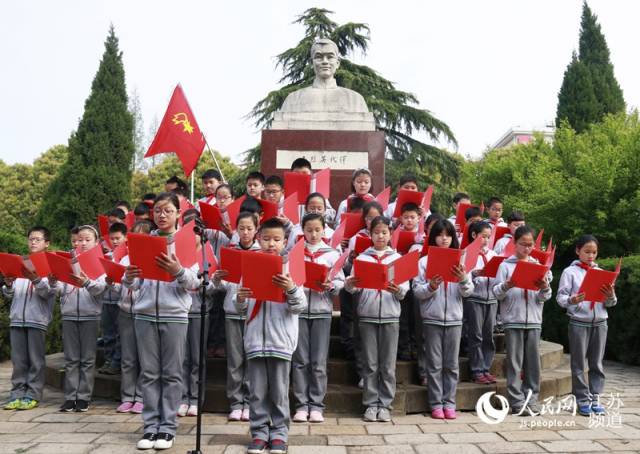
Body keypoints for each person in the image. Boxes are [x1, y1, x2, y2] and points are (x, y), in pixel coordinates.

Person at [123, 193, 200, 450]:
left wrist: (177, 270)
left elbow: (195, 283)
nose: (162, 215)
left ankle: (167, 428)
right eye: (158, 210)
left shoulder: (187, 242)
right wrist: (129, 276)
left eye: (167, 210)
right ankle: (150, 426)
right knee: (149, 373)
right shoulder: (144, 241)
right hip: (144, 314)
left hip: (175, 315)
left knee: (172, 374)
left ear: (178, 213)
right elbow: (134, 283)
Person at [235, 218, 307, 454]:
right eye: (266, 239)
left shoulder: (292, 268)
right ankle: (258, 433)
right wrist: (241, 298)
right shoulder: (250, 266)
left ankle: (279, 433)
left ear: (285, 242)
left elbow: (300, 306)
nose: (271, 244)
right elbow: (240, 308)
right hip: (255, 339)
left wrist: (291, 288)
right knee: (256, 391)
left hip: (281, 341)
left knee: (278, 391)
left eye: (276, 239)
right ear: (258, 239)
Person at [345, 216, 409, 423]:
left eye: (384, 232)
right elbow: (353, 288)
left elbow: (404, 292)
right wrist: (351, 283)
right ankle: (371, 404)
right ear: (370, 234)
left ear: (390, 234)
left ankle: (386, 404)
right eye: (376, 232)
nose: (380, 236)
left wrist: (397, 289)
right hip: (368, 316)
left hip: (390, 317)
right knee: (370, 364)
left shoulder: (397, 259)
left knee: (388, 365)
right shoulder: (362, 259)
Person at [412, 219, 473, 420]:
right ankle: (436, 403)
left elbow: (468, 291)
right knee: (434, 364)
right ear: (433, 237)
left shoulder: (462, 261)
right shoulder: (423, 262)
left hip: (454, 319)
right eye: (439, 234)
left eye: (448, 235)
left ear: (453, 238)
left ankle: (450, 402)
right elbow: (417, 292)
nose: (444, 238)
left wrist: (463, 279)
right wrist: (431, 286)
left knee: (452, 364)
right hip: (432, 318)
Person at [493, 225, 552, 416]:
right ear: (514, 243)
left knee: (533, 364)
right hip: (513, 319)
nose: (526, 248)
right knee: (514, 363)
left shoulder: (539, 266)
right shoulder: (505, 266)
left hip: (534, 319)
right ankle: (517, 401)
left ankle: (532, 400)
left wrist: (544, 287)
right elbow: (496, 293)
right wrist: (507, 285)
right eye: (522, 244)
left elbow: (546, 296)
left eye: (530, 245)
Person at [292, 213, 344, 423]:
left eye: (317, 230)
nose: (313, 234)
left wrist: (330, 285)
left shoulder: (331, 254)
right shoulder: (295, 254)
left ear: (324, 230)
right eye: (309, 230)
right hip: (300, 312)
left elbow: (340, 283)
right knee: (300, 360)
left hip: (322, 311)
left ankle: (316, 405)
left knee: (319, 361)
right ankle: (301, 404)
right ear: (302, 231)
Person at [556, 234, 616, 416]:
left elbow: (612, 303)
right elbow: (560, 298)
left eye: (594, 252)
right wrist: (573, 300)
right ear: (578, 251)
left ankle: (595, 397)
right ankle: (582, 400)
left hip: (600, 322)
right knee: (578, 364)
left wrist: (610, 296)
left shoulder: (602, 272)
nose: (591, 256)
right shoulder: (570, 272)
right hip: (578, 322)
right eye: (587, 251)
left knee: (597, 363)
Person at [213, 212, 261, 422]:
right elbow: (222, 285)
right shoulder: (229, 252)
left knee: (252, 358)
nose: (245, 232)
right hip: (232, 312)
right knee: (235, 360)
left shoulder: (262, 252)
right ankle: (236, 402)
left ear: (256, 229)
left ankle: (250, 402)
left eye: (249, 228)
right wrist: (217, 279)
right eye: (241, 228)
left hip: (254, 313)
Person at [54, 225, 107, 413]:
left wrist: (85, 282)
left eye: (87, 240)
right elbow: (59, 290)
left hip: (90, 315)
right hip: (69, 314)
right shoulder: (67, 261)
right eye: (78, 240)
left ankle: (83, 397)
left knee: (87, 359)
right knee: (71, 359)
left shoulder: (100, 263)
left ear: (96, 242)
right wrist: (54, 281)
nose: (82, 243)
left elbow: (100, 288)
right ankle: (70, 397)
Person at [2, 226, 55, 411]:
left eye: (38, 239)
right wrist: (8, 285)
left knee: (35, 360)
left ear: (46, 243)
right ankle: (17, 394)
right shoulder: (20, 262)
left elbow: (49, 293)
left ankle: (32, 394)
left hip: (37, 319)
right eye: (31, 239)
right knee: (19, 361)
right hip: (17, 318)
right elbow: (10, 294)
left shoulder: (49, 265)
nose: (33, 242)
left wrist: (35, 279)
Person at [465, 221, 499, 385]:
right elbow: (463, 275)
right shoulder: (467, 253)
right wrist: (475, 274)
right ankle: (477, 369)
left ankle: (486, 368)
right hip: (474, 298)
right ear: (474, 235)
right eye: (483, 236)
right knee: (476, 335)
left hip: (491, 299)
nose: (486, 240)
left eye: (488, 236)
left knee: (488, 336)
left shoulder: (493, 254)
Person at [99, 223, 128, 376]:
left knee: (119, 333)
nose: (115, 241)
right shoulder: (107, 255)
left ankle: (117, 361)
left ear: (126, 237)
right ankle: (109, 359)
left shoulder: (126, 256)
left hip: (121, 301)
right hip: (106, 299)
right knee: (108, 333)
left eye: (118, 238)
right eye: (112, 239)